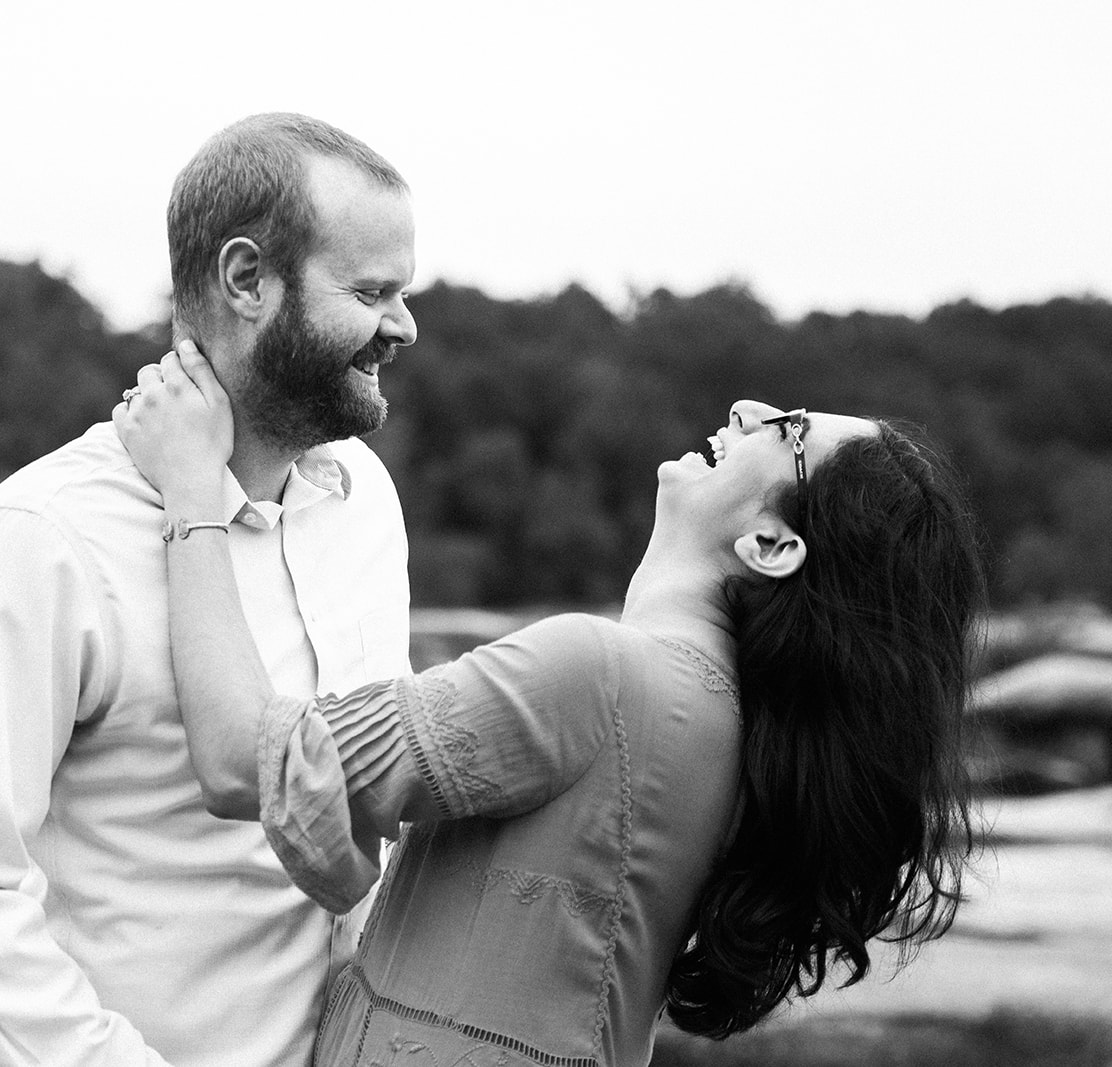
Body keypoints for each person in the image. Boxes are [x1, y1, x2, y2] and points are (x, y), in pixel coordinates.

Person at [115, 346, 986, 1067]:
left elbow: (243, 759)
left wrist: (193, 488)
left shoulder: (598, 677)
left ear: (771, 544)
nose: (750, 408)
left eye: (789, 431)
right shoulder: (724, 728)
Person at [0, 113, 419, 1067]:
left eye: (403, 293)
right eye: (370, 292)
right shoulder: (41, 540)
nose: (403, 326)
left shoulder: (364, 502)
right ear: (247, 280)